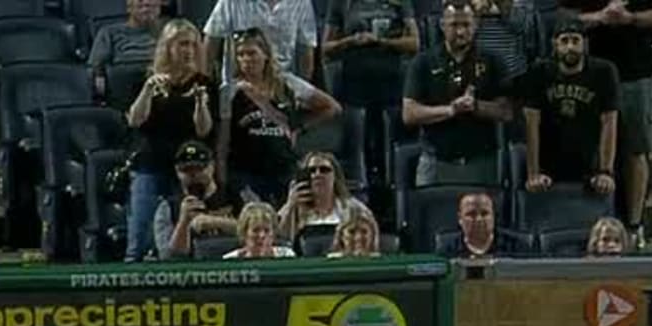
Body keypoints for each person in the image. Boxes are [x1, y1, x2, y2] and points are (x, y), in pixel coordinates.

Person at [561, 0, 652, 247]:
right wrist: (601, 17)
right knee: (590, 148)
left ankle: (634, 224)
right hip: (589, 71)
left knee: (636, 150)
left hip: (636, 71)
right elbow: (562, 16)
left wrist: (630, 19)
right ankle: (597, 230)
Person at [121, 19, 215, 261]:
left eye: (194, 45)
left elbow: (203, 130)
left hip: (187, 169)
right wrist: (147, 92)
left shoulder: (204, 84)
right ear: (168, 47)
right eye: (183, 44)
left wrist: (201, 104)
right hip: (151, 164)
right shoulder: (146, 79)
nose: (189, 50)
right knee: (140, 235)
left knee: (181, 234)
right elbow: (134, 120)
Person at [218, 29, 338, 208]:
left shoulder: (286, 83)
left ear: (265, 54)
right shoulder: (230, 92)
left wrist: (299, 127)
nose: (246, 60)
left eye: (251, 53)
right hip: (248, 170)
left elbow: (331, 107)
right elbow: (223, 141)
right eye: (240, 55)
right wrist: (224, 179)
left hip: (284, 168)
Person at [402, 0, 509, 189]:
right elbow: (409, 114)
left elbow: (506, 111)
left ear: (475, 25)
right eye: (454, 25)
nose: (460, 32)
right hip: (435, 162)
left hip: (482, 162)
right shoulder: (423, 62)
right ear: (442, 25)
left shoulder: (492, 61)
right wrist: (450, 110)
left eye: (466, 25)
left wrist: (475, 106)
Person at [521, 13, 615, 200]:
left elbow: (609, 122)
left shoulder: (604, 72)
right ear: (555, 44)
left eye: (575, 40)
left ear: (585, 44)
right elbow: (531, 123)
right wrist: (533, 172)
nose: (570, 47)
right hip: (550, 163)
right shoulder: (539, 72)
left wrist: (606, 171)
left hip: (589, 163)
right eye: (564, 41)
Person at [321, 0, 413, 190]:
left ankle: (391, 193)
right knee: (356, 146)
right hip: (354, 83)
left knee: (389, 146)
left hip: (390, 82)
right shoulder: (341, 4)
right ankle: (359, 190)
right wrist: (351, 41)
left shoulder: (399, 3)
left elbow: (415, 43)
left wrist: (381, 41)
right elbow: (326, 47)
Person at [155, 138, 237, 257]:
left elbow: (264, 230)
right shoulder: (168, 207)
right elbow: (169, 257)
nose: (193, 175)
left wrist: (218, 222)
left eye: (199, 169)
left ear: (211, 166)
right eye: (187, 171)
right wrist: (184, 222)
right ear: (177, 172)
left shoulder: (236, 195)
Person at [203, 0, 314, 84]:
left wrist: (302, 92)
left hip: (281, 89)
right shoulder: (231, 2)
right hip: (237, 89)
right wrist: (203, 85)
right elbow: (210, 46)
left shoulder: (301, 3)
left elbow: (306, 52)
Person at [276, 149, 372, 237]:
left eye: (324, 170)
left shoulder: (354, 209)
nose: (317, 175)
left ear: (335, 177)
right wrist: (291, 205)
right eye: (312, 171)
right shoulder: (291, 208)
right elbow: (279, 239)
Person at [88, 0, 163, 103]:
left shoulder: (169, 31)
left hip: (161, 83)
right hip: (123, 87)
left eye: (151, 3)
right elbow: (96, 68)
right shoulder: (109, 32)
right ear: (129, 7)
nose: (146, 4)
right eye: (140, 2)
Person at [439, 188, 517, 257]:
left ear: (494, 216)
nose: (479, 219)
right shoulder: (446, 248)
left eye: (484, 213)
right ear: (460, 218)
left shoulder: (516, 245)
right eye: (471, 214)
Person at [224, 199, 294, 257]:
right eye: (255, 230)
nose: (262, 235)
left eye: (267, 230)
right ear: (244, 233)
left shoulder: (287, 255)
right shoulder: (230, 260)